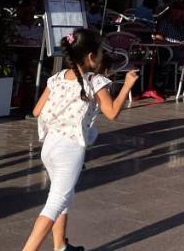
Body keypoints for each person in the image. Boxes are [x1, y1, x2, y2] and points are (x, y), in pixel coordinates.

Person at [22, 29, 138, 251]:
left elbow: (37, 111)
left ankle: (60, 247)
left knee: (62, 196)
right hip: (69, 149)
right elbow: (112, 113)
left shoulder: (55, 78)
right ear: (91, 57)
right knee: (54, 204)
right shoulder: (95, 81)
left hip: (49, 146)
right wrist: (127, 86)